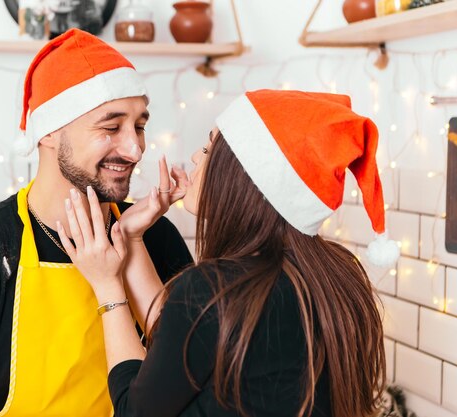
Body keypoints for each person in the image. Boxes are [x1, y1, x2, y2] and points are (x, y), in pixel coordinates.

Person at [59, 89, 400, 417]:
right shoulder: (335, 275)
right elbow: (182, 338)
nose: (196, 156)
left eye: (208, 149)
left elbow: (135, 410)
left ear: (242, 177)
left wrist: (107, 287)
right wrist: (131, 237)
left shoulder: (211, 288)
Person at [0, 29, 193, 417]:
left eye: (139, 126)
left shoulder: (153, 237)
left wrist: (133, 246)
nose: (135, 149)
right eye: (111, 127)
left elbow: (195, 381)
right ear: (49, 133)